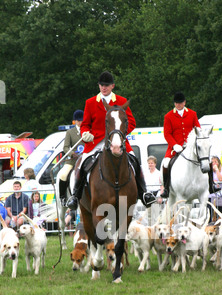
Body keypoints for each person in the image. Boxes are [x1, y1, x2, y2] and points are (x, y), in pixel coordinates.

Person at [67, 71, 156, 210]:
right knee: (82, 164)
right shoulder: (90, 103)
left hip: (117, 140)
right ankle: (75, 196)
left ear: (112, 86)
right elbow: (85, 124)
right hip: (96, 142)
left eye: (107, 85)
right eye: (101, 85)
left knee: (135, 161)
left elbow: (131, 122)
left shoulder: (121, 101)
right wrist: (85, 133)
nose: (104, 87)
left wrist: (120, 135)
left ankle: (145, 193)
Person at [160, 92, 201, 198]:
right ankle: (166, 188)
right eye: (176, 103)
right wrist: (174, 145)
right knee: (165, 163)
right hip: (175, 148)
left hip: (191, 147)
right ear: (174, 103)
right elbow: (167, 134)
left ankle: (212, 185)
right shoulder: (168, 116)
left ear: (184, 102)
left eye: (180, 103)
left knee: (207, 160)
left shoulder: (192, 114)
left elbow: (198, 129)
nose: (178, 105)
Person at [58, 109, 84, 206]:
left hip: (85, 158)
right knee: (63, 175)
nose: (81, 122)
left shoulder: (88, 130)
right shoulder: (70, 132)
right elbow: (65, 147)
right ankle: (63, 197)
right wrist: (72, 153)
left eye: (82, 120)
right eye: (79, 120)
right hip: (73, 160)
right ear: (75, 121)